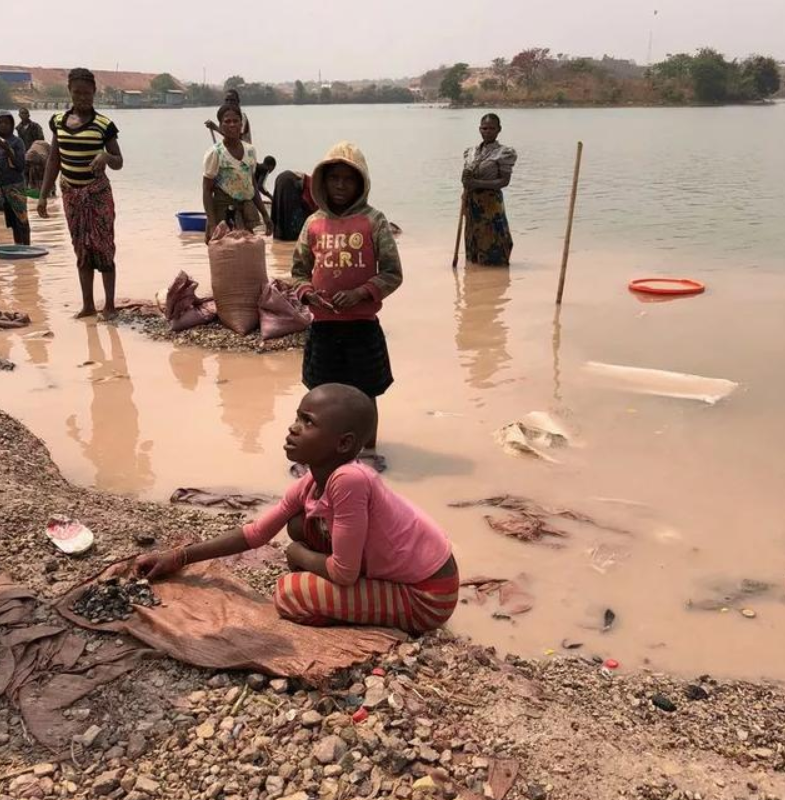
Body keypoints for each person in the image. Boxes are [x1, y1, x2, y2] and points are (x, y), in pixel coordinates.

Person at [135, 384, 460, 633]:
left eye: (308, 422)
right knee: (297, 524)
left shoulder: (349, 479)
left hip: (428, 597)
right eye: (297, 417)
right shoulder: (313, 481)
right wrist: (179, 557)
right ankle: (363, 601)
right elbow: (256, 533)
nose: (293, 428)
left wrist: (297, 556)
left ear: (343, 444)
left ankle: (376, 614)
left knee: (289, 595)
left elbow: (344, 575)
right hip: (401, 573)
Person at [292, 142, 402, 469]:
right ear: (322, 183)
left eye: (348, 179)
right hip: (323, 326)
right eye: (334, 178)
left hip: (362, 326)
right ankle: (317, 453)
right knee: (319, 393)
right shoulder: (313, 223)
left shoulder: (374, 221)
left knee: (365, 391)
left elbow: (393, 274)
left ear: (360, 183)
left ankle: (367, 451)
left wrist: (361, 293)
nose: (340, 185)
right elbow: (298, 271)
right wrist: (308, 293)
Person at [37, 68, 123, 320]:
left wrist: (106, 156)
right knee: (81, 249)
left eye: (87, 93)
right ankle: (87, 306)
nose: (82, 98)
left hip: (98, 196)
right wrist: (43, 195)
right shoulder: (58, 122)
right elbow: (54, 160)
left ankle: (109, 306)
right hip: (71, 196)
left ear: (95, 93)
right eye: (77, 93)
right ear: (70, 92)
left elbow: (119, 161)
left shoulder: (104, 125)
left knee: (104, 248)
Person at [202, 104, 272, 242]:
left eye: (235, 121)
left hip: (245, 212)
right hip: (223, 213)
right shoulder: (215, 153)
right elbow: (207, 190)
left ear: (241, 124)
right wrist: (212, 224)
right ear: (221, 126)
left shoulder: (250, 151)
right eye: (227, 122)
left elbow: (251, 185)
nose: (232, 125)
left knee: (246, 255)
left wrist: (265, 215)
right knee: (226, 255)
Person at [461, 113, 517, 266]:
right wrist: (466, 188)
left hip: (491, 204)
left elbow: (504, 181)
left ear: (499, 130)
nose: (487, 131)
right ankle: (475, 276)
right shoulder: (470, 152)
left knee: (493, 241)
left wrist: (476, 183)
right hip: (472, 203)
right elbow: (466, 180)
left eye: (492, 128)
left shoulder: (504, 153)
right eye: (484, 128)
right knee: (474, 240)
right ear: (479, 129)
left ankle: (497, 279)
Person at [0, 110, 31, 245]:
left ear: (12, 124)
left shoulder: (17, 142)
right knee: (12, 222)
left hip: (16, 186)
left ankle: (27, 249)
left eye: (6, 123)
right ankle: (19, 249)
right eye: (0, 123)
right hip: (3, 187)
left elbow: (20, 166)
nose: (3, 125)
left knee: (22, 220)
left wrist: (8, 150)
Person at [271, 170, 317, 241]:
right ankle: (291, 238)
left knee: (279, 208)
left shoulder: (313, 184)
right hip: (290, 180)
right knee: (291, 213)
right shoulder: (314, 188)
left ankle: (280, 237)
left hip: (281, 177)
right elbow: (307, 204)